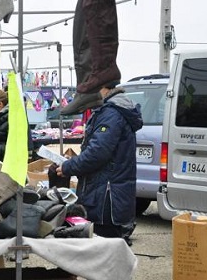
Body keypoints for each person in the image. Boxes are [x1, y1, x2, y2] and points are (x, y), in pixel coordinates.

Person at [56, 82, 143, 244]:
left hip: (106, 199)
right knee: (107, 250)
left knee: (105, 249)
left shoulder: (111, 113)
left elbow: (97, 153)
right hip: (107, 195)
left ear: (102, 87)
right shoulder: (110, 111)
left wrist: (69, 167)